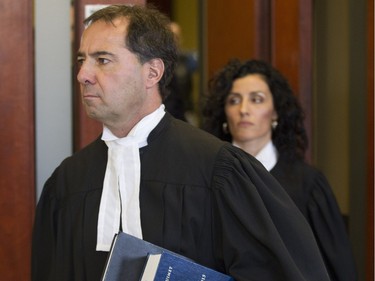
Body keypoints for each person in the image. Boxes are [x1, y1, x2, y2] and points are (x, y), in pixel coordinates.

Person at [31, 5, 331, 281]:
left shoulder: (218, 169)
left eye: (103, 60)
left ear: (152, 72)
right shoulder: (67, 182)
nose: (83, 75)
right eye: (82, 60)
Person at [202, 58, 357, 281]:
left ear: (275, 113)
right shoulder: (205, 178)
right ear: (224, 113)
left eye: (257, 100)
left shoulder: (308, 185)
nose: (244, 110)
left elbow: (337, 267)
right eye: (234, 100)